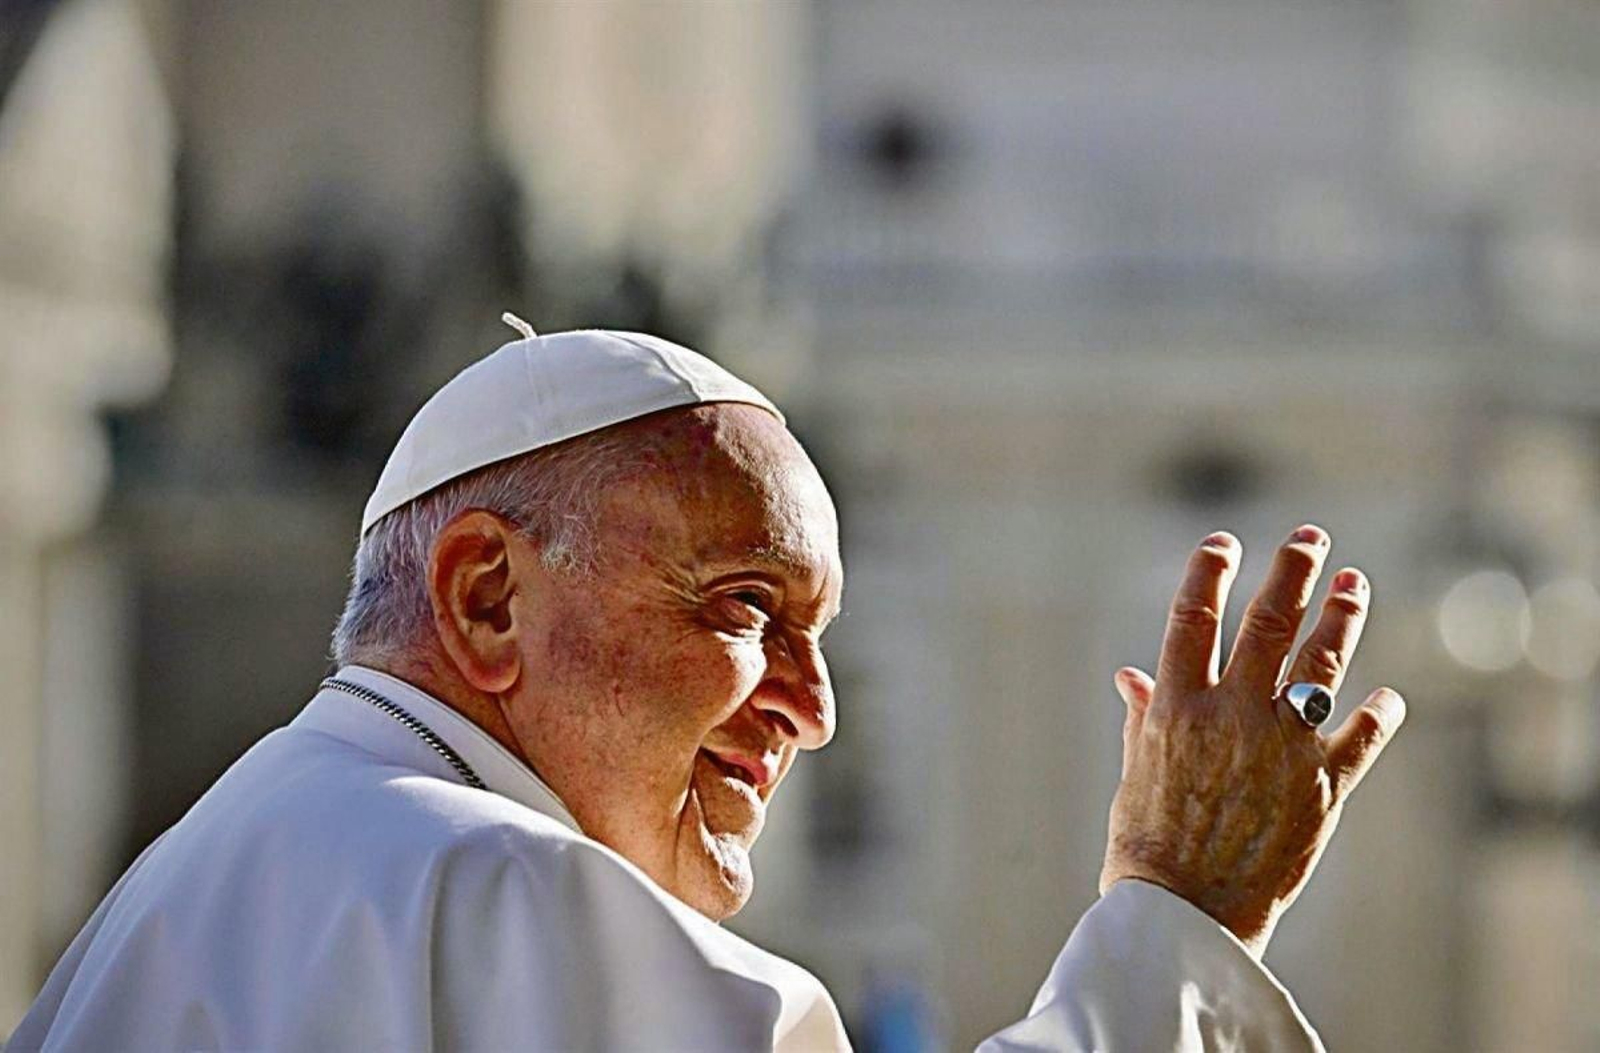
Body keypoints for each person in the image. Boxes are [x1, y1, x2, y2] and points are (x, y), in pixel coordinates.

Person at [9, 323, 1405, 1052]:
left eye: (826, 637)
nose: (815, 706)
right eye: (749, 609)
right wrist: (1177, 918)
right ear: (489, 596)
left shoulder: (199, 879)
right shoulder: (496, 890)